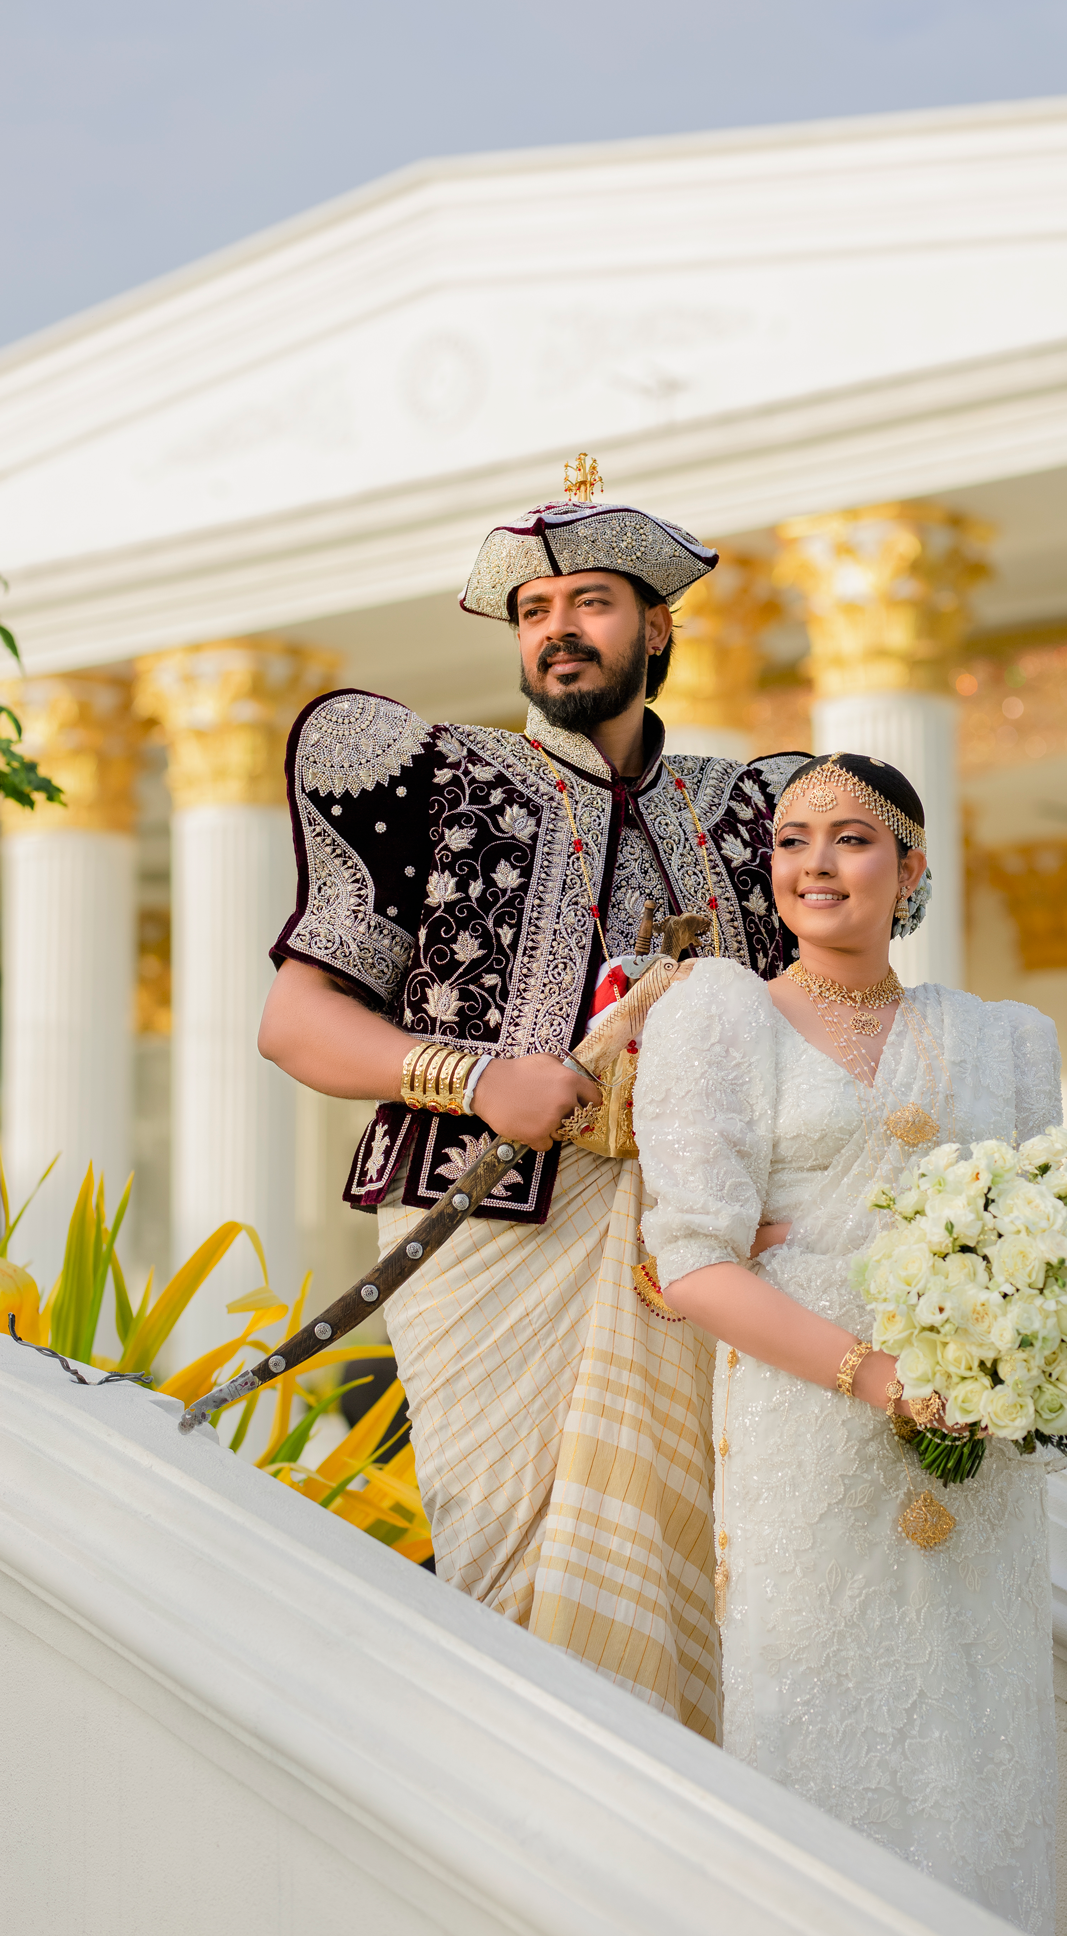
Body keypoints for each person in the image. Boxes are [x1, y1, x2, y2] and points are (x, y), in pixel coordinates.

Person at [258, 471, 805, 1739]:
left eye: (594, 602)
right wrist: (472, 1075)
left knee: (709, 1584)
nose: (559, 627)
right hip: (493, 1237)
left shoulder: (758, 814)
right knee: (509, 1576)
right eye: (536, 608)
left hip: (709, 1247)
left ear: (657, 628)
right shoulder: (433, 779)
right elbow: (297, 1023)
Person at [633, 751, 1063, 1933]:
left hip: (979, 1442)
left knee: (978, 1726)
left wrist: (1029, 1364)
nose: (816, 863)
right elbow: (695, 1261)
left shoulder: (1006, 1037)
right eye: (792, 840)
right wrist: (877, 1378)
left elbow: (1053, 1235)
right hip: (805, 1423)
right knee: (811, 1703)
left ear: (912, 867)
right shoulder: (720, 1012)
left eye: (854, 838)